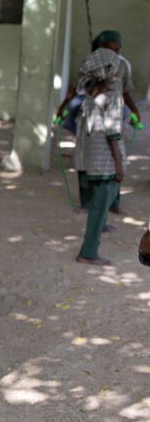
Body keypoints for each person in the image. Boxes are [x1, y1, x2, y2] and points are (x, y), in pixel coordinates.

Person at [56, 30, 139, 216]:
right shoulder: (91, 62)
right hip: (90, 118)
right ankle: (87, 202)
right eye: (109, 48)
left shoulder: (121, 67)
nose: (112, 52)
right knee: (85, 158)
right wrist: (63, 107)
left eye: (116, 49)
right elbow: (77, 87)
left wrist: (135, 111)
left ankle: (112, 203)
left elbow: (126, 92)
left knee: (115, 160)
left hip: (112, 116)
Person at [72, 48, 125, 266]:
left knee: (98, 200)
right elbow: (112, 133)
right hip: (107, 160)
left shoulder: (91, 92)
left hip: (93, 158)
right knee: (100, 204)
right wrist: (119, 163)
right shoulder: (113, 96)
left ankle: (102, 225)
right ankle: (88, 253)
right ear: (110, 70)